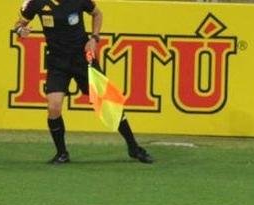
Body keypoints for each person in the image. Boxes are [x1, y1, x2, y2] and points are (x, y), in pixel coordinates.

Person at [13, 0, 153, 164]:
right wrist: (21, 30)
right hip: (57, 62)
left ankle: (134, 148)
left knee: (107, 102)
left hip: (82, 58)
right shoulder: (34, 3)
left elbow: (97, 14)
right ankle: (62, 153)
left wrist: (94, 38)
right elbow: (19, 25)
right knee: (53, 107)